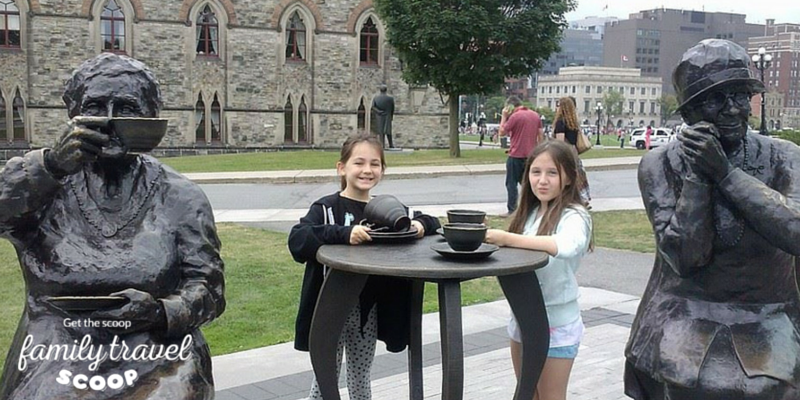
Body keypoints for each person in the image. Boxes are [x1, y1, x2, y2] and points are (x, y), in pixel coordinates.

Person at [0, 53, 225, 399]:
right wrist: (49, 166)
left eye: (126, 108)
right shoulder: (42, 186)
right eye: (94, 107)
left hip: (154, 344)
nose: (108, 121)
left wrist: (163, 312)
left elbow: (208, 287)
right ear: (73, 114)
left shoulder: (181, 197)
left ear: (150, 116)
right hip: (58, 340)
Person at [624, 39, 800, 399]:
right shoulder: (659, 165)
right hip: (683, 309)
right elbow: (686, 258)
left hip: (769, 313)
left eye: (739, 95)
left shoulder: (785, 158)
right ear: (689, 114)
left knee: (767, 386)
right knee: (685, 379)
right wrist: (698, 176)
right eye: (715, 99)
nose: (732, 109)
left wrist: (726, 174)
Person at [288, 133, 440, 400]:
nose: (367, 170)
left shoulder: (389, 210)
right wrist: (345, 234)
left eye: (375, 164)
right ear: (342, 167)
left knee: (361, 378)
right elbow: (298, 239)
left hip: (366, 312)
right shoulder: (326, 208)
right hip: (329, 307)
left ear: (382, 169)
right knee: (324, 378)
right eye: (359, 163)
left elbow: (431, 220)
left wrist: (420, 225)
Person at [485, 140, 593, 400]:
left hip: (557, 325)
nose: (542, 180)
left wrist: (508, 238)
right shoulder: (528, 215)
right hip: (522, 320)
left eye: (552, 173)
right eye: (536, 172)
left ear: (568, 177)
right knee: (527, 394)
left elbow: (566, 245)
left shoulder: (575, 216)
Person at [498, 96, 543, 216]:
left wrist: (503, 116)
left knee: (511, 183)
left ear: (510, 106)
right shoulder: (535, 115)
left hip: (516, 155)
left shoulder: (514, 116)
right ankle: (533, 208)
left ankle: (512, 209)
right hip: (531, 156)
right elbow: (540, 136)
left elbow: (502, 132)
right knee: (528, 183)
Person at [552, 96, 591, 206]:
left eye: (559, 105)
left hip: (565, 151)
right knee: (577, 174)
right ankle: (582, 197)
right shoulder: (573, 123)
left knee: (564, 175)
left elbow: (560, 141)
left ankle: (564, 198)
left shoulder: (561, 122)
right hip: (574, 151)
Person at [371, 84, 395, 149]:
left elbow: (373, 107)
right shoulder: (390, 98)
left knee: (381, 131)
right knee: (388, 131)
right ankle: (391, 144)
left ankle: (382, 145)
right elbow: (392, 108)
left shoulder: (376, 98)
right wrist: (391, 116)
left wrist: (378, 112)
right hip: (387, 115)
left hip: (379, 116)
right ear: (386, 90)